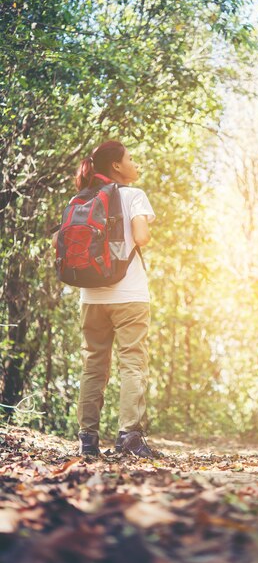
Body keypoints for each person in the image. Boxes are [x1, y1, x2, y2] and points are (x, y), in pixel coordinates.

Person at [52, 140, 157, 458]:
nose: (135, 163)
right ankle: (129, 437)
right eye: (130, 158)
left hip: (90, 297)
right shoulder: (134, 195)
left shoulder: (80, 199)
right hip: (130, 296)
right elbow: (141, 237)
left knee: (93, 366)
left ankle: (87, 439)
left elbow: (58, 242)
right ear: (116, 166)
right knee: (132, 364)